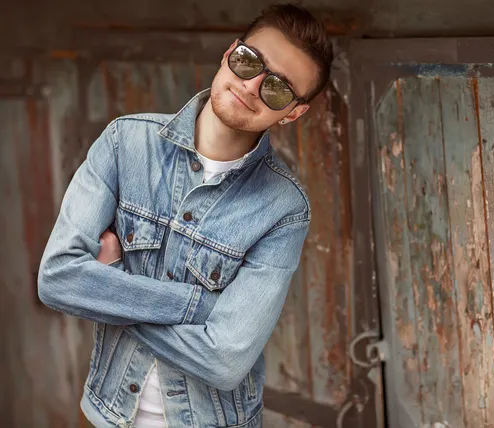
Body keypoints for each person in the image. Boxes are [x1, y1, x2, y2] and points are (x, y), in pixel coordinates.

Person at [37, 4, 333, 427]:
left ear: (293, 112)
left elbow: (225, 361)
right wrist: (200, 306)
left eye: (279, 89)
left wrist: (113, 281)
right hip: (105, 414)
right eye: (248, 62)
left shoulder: (283, 208)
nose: (251, 87)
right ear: (229, 52)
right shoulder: (126, 143)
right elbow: (57, 279)